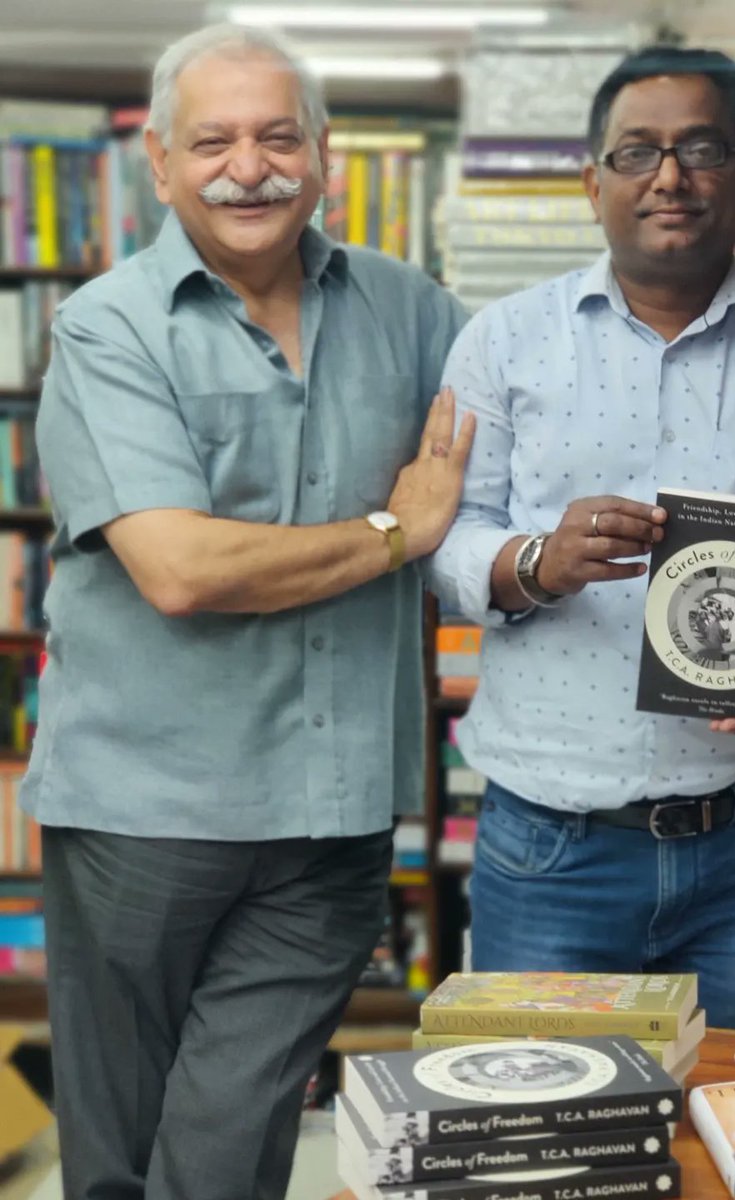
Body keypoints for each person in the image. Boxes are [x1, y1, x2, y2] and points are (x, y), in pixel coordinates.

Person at [19, 24, 476, 1200]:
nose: (249, 166)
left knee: (230, 1139)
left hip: (333, 818)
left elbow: (545, 411)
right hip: (142, 815)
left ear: (323, 155)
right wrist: (392, 534)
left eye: (278, 136)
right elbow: (178, 567)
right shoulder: (107, 327)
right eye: (212, 141)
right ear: (161, 168)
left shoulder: (411, 309)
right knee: (117, 1152)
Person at [428, 44, 735, 1030]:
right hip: (551, 846)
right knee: (537, 1139)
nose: (670, 177)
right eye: (637, 152)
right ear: (591, 182)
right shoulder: (504, 340)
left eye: (703, 149)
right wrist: (533, 562)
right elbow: (446, 540)